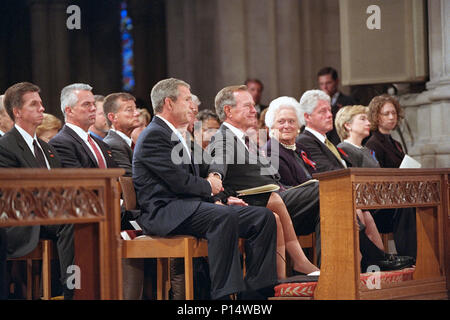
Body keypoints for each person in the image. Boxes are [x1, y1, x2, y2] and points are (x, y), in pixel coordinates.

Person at [133, 78, 277, 300]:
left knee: (262, 217)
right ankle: (224, 295)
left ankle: (256, 294)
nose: (193, 105)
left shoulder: (180, 134)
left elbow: (204, 170)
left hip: (190, 206)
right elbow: (178, 181)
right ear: (169, 103)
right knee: (223, 217)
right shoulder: (154, 134)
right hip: (164, 211)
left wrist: (223, 195)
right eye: (188, 99)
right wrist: (210, 188)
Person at [208, 85, 320, 277]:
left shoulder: (245, 139)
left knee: (285, 206)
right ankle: (300, 262)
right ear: (228, 111)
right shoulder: (222, 139)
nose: (254, 110)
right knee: (322, 190)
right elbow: (217, 167)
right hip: (247, 200)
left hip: (268, 196)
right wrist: (218, 183)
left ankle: (287, 276)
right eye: (248, 106)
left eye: (254, 105)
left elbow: (269, 175)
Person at [296, 90, 414, 270]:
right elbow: (330, 173)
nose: (329, 115)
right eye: (322, 112)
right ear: (307, 116)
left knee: (371, 210)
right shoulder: (306, 140)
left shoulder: (328, 143)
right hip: (330, 198)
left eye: (329, 110)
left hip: (351, 195)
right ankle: (376, 261)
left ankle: (381, 261)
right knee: (361, 211)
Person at [0, 82, 74, 299]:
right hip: (22, 220)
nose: (42, 108)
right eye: (34, 104)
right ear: (17, 112)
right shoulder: (6, 147)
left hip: (51, 216)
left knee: (88, 220)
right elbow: (12, 194)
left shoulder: (46, 148)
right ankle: (71, 290)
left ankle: (90, 283)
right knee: (71, 219)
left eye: (41, 104)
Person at [365, 95, 417, 258]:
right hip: (382, 203)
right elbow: (377, 176)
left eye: (394, 113)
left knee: (424, 205)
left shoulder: (396, 143)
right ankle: (410, 256)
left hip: (400, 196)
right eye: (386, 114)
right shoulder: (372, 143)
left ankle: (428, 256)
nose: (392, 117)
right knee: (406, 206)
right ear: (376, 117)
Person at [49, 84, 116, 169]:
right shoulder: (60, 143)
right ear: (69, 111)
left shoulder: (101, 144)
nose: (93, 108)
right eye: (86, 104)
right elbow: (78, 179)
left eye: (93, 104)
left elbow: (115, 175)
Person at [103, 92, 140, 177]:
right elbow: (128, 178)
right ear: (112, 117)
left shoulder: (128, 142)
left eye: (136, 108)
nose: (137, 113)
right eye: (129, 110)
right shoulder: (113, 144)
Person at [317, 67, 355, 146]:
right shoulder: (317, 104)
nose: (325, 87)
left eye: (328, 83)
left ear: (337, 81)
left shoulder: (348, 101)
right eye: (321, 84)